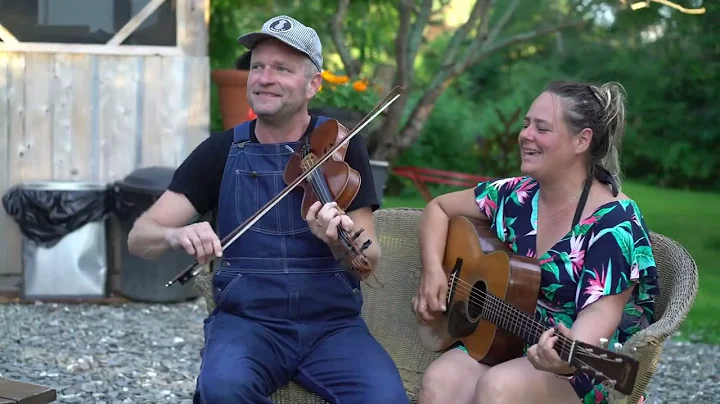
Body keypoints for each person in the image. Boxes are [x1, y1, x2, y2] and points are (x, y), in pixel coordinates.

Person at [127, 15, 409, 404]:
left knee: (385, 399)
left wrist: (339, 245)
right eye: (257, 66)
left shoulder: (343, 149)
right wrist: (175, 233)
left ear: (313, 84)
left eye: (281, 69)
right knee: (222, 390)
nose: (264, 77)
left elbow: (369, 257)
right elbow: (140, 238)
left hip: (332, 328)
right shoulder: (221, 151)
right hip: (248, 325)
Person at [411, 80, 659, 404]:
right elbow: (438, 208)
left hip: (586, 369)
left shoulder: (615, 225)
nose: (525, 135)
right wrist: (433, 271)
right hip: (505, 340)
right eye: (526, 124)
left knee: (499, 388)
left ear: (582, 140)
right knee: (440, 381)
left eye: (541, 128)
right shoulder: (517, 194)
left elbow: (596, 327)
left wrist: (567, 356)